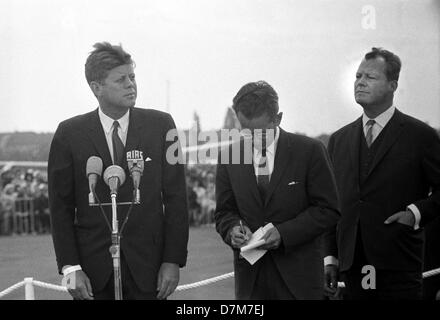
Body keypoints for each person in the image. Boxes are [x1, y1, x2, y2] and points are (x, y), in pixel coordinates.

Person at [48, 42, 189, 300]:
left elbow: (177, 198)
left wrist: (173, 260)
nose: (130, 84)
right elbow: (60, 207)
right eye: (121, 79)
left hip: (150, 270)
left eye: (132, 77)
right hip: (91, 274)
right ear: (96, 87)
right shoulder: (68, 134)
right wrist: (70, 267)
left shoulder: (161, 125)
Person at [323, 48, 440, 300]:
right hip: (350, 268)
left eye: (370, 77)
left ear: (392, 85)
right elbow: (330, 205)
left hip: (399, 264)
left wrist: (414, 214)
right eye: (357, 76)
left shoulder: (421, 136)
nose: (360, 82)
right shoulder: (339, 140)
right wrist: (330, 257)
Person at [215, 81, 340, 299]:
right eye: (246, 131)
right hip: (251, 284)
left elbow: (328, 210)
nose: (253, 138)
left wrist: (284, 233)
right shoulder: (229, 156)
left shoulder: (310, 151)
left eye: (260, 131)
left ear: (278, 118)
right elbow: (224, 212)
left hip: (299, 283)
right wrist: (233, 229)